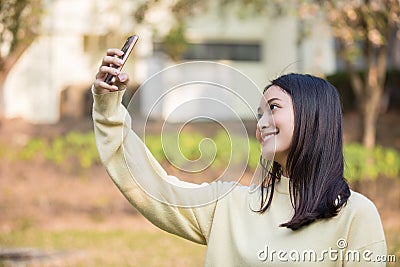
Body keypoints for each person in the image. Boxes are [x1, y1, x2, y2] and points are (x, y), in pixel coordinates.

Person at [92, 48, 387, 266]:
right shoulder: (228, 206)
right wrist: (108, 107)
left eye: (273, 108)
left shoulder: (355, 215)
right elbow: (151, 187)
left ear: (314, 116)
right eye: (259, 114)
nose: (261, 123)